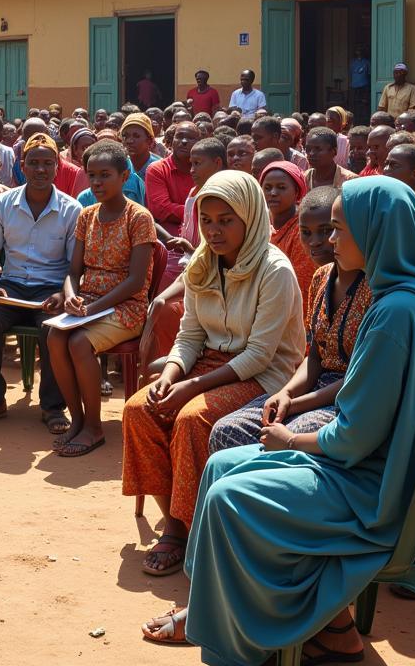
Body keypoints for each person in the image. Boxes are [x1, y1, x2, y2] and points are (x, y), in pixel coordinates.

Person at [143, 176, 415, 655]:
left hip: (392, 498)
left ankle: (239, 640)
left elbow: (351, 439)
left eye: (338, 230)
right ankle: (310, 628)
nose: (329, 242)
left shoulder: (395, 313)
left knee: (230, 496)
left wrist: (288, 441)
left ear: (374, 233)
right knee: (221, 465)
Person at [123, 171, 304, 577]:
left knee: (192, 418)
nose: (214, 230)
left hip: (262, 376)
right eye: (207, 220)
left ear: (250, 218)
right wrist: (171, 373)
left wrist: (191, 386)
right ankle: (174, 521)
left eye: (226, 220)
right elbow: (189, 335)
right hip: (206, 365)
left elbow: (260, 355)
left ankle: (189, 528)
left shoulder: (275, 270)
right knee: (141, 409)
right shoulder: (202, 263)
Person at [209, 185, 372, 453]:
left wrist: (296, 403)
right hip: (313, 390)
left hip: (348, 398)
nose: (319, 241)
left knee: (285, 439)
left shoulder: (373, 288)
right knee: (227, 431)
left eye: (330, 230)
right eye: (306, 233)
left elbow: (362, 375)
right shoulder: (321, 278)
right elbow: (315, 357)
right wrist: (286, 393)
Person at [0, 133, 81, 435]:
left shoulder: (71, 210)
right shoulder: (4, 203)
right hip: (11, 286)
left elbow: (74, 268)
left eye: (47, 163)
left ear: (57, 166)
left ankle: (52, 406)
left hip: (50, 290)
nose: (40, 170)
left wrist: (61, 293)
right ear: (21, 166)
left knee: (55, 328)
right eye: (33, 163)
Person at [49, 140, 155, 457]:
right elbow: (73, 271)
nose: (96, 183)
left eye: (105, 175)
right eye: (91, 175)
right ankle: (78, 419)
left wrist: (92, 308)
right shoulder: (86, 216)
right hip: (88, 303)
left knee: (79, 342)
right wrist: (70, 297)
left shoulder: (139, 218)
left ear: (125, 177)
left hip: (126, 306)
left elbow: (137, 282)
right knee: (55, 336)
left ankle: (94, 428)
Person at [261, 161, 316, 304]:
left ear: (296, 192)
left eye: (281, 187)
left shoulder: (302, 229)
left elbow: (301, 284)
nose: (273, 193)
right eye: (267, 188)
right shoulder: (260, 223)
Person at [119, 112, 161, 184]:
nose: (129, 141)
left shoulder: (160, 168)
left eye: (136, 136)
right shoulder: (119, 167)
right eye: (125, 136)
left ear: (149, 141)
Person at [349, 44, 370, 118]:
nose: (359, 52)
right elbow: (352, 72)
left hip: (364, 84)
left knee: (364, 103)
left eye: (360, 50)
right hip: (354, 85)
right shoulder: (353, 62)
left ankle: (364, 119)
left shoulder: (366, 62)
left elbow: (369, 73)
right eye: (357, 50)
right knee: (354, 103)